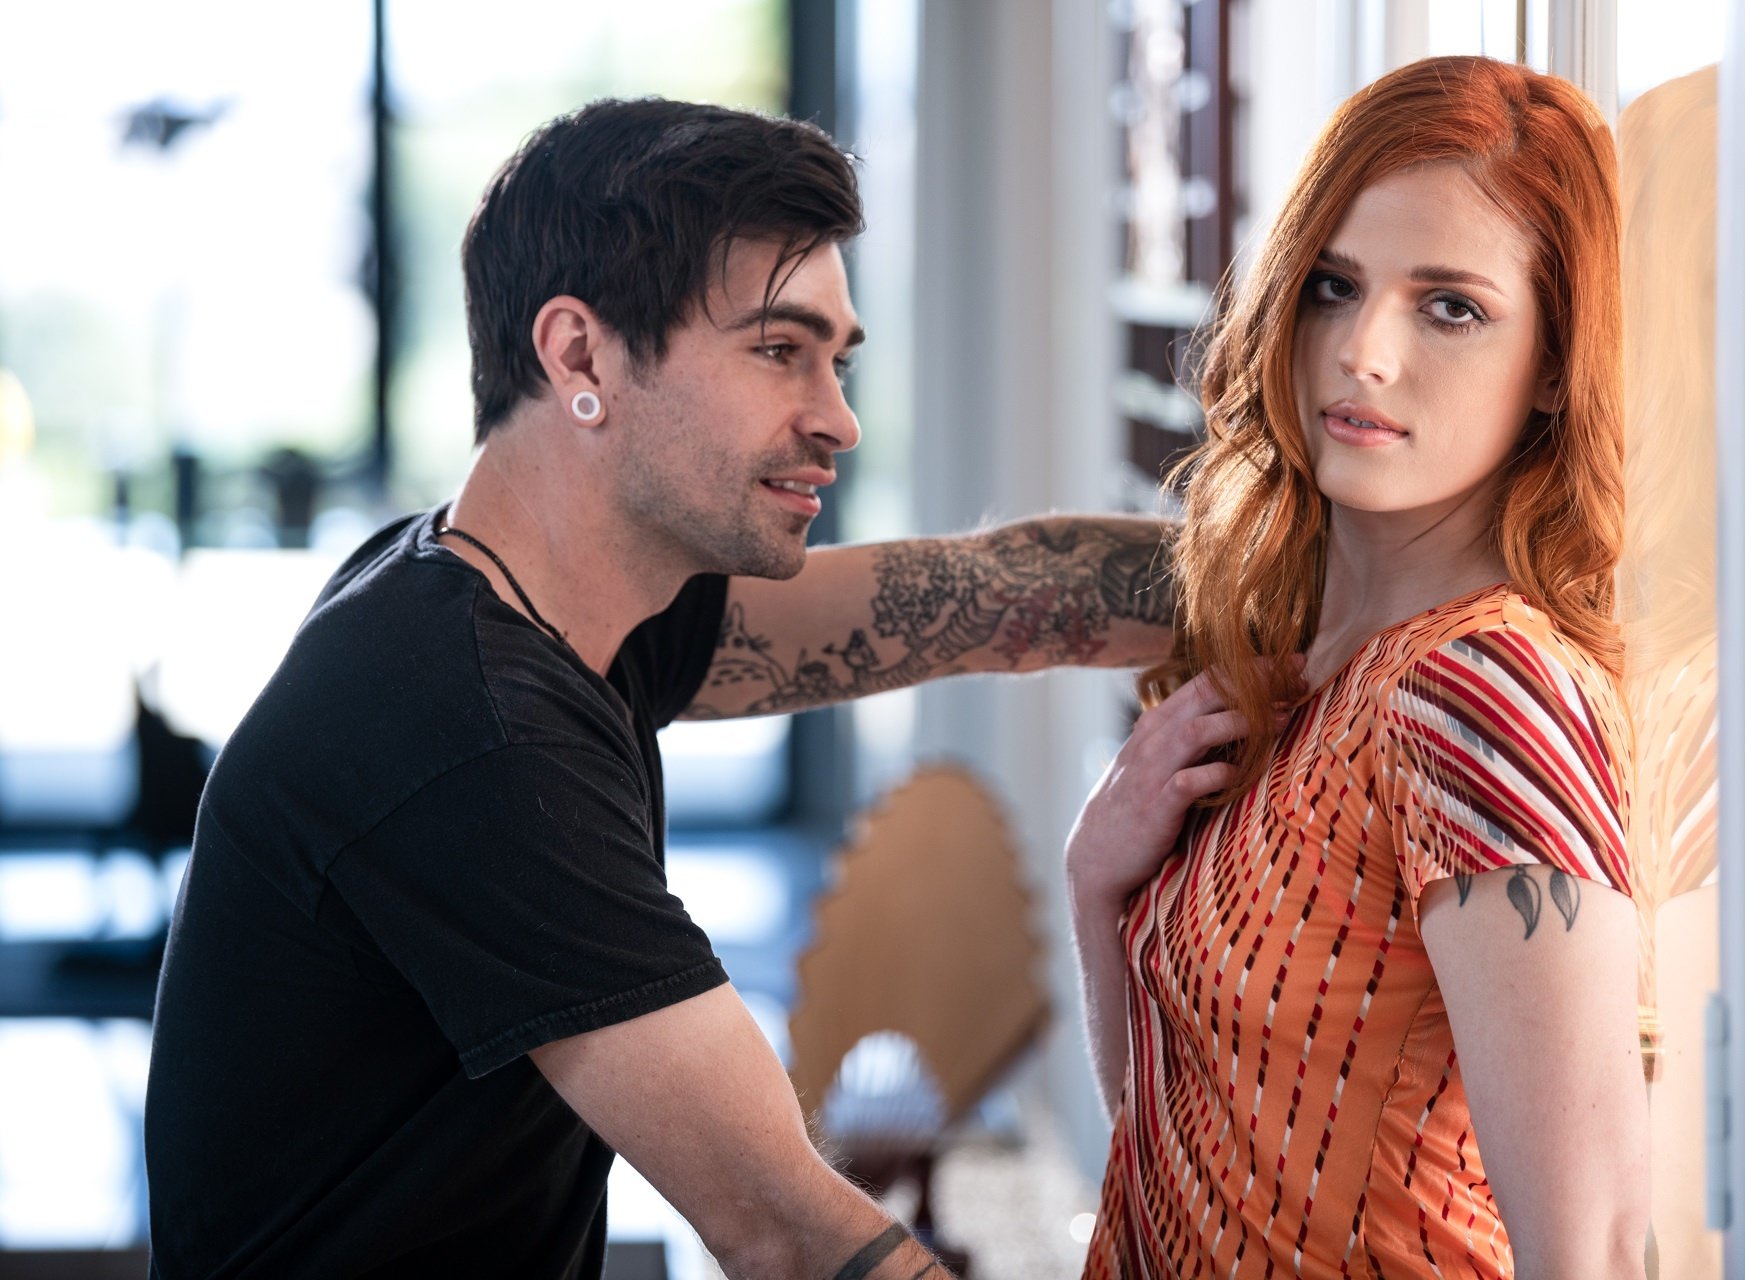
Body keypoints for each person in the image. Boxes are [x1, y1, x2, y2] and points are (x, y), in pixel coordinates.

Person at [144, 98, 1174, 1278]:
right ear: (581, 356)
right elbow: (789, 1234)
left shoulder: (526, 593)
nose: (838, 418)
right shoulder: (468, 729)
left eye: (837, 360)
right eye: (779, 350)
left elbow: (988, 599)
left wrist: (1310, 568)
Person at [1067, 56, 1647, 1278]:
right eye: (1335, 286)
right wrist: (1093, 883)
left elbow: (1591, 1244)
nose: (1364, 352)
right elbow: (1179, 1128)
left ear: (1553, 362)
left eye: (1452, 307)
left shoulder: (1484, 692)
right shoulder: (1294, 659)